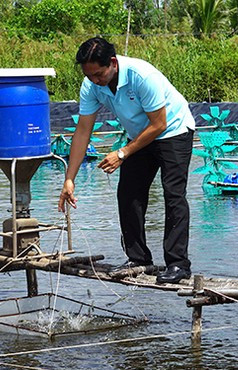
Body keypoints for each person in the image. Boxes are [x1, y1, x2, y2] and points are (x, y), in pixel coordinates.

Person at [57, 37, 196, 284]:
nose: (95, 81)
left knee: (173, 193)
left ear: (112, 62)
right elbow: (82, 131)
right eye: (90, 76)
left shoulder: (141, 76)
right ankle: (139, 259)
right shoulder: (91, 85)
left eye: (99, 74)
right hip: (140, 135)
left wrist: (122, 153)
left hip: (173, 130)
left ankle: (178, 264)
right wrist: (70, 178)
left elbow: (159, 124)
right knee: (129, 193)